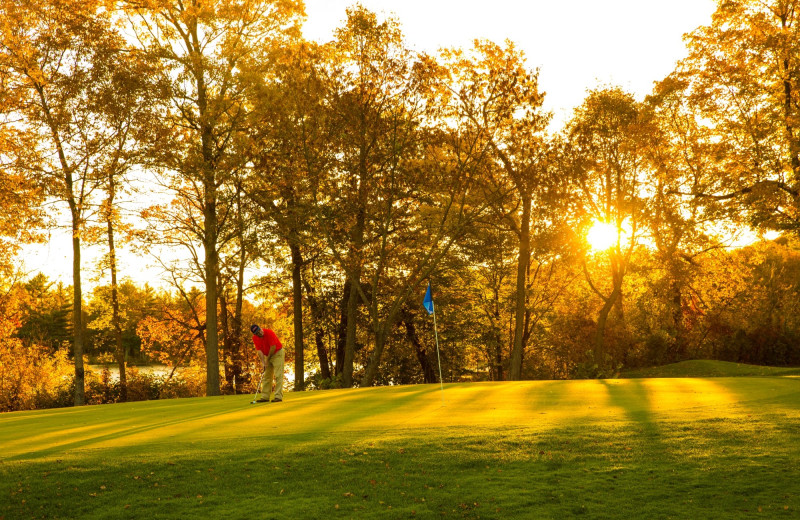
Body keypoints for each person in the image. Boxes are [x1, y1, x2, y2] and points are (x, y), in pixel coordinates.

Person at [250, 324, 285, 403]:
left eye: (260, 330)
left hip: (277, 353)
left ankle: (278, 397)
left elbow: (273, 347)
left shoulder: (269, 332)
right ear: (255, 334)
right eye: (257, 333)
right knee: (266, 376)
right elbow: (259, 350)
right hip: (267, 355)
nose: (260, 333)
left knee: (278, 375)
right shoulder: (255, 338)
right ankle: (265, 397)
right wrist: (263, 362)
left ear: (260, 328)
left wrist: (267, 360)